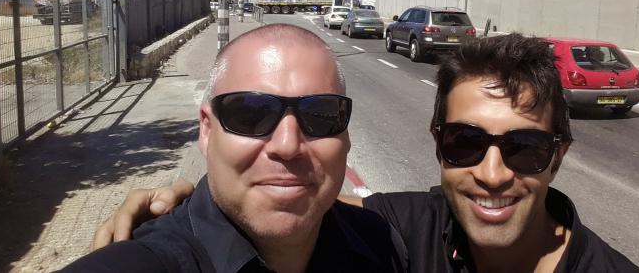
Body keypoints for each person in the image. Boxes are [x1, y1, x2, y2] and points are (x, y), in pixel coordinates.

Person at [93, 33, 639, 272]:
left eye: (524, 149)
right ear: (439, 146)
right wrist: (184, 198)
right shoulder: (408, 229)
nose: (492, 174)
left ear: (559, 154)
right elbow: (303, 205)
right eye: (465, 144)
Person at [64, 23, 407, 273]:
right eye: (250, 113)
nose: (287, 146)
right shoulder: (150, 258)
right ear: (207, 130)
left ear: (345, 136)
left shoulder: (385, 245)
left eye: (321, 114)